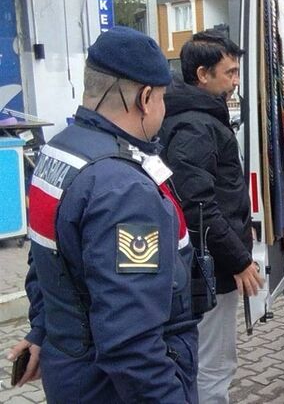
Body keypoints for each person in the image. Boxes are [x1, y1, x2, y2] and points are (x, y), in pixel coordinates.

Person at [5, 26, 199, 402]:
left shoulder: (59, 151)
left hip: (72, 367)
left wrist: (43, 329)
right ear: (146, 98)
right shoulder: (123, 188)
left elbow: (46, 259)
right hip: (110, 387)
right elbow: (131, 341)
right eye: (162, 97)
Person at [159, 29, 264, 403]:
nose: (235, 82)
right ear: (203, 75)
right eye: (230, 73)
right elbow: (197, 204)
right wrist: (238, 260)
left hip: (211, 262)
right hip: (211, 270)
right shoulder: (195, 125)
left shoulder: (197, 117)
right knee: (213, 363)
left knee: (211, 359)